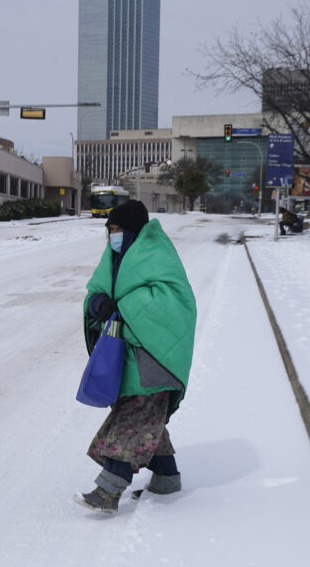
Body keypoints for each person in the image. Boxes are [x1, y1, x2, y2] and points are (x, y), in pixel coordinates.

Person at [75, 200, 197, 515]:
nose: (112, 236)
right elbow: (96, 291)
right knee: (146, 419)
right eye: (109, 230)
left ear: (132, 231)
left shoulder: (157, 255)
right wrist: (98, 303)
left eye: (117, 229)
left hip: (155, 359)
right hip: (127, 358)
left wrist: (121, 307)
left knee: (132, 421)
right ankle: (167, 478)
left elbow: (171, 301)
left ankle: (108, 491)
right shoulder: (114, 257)